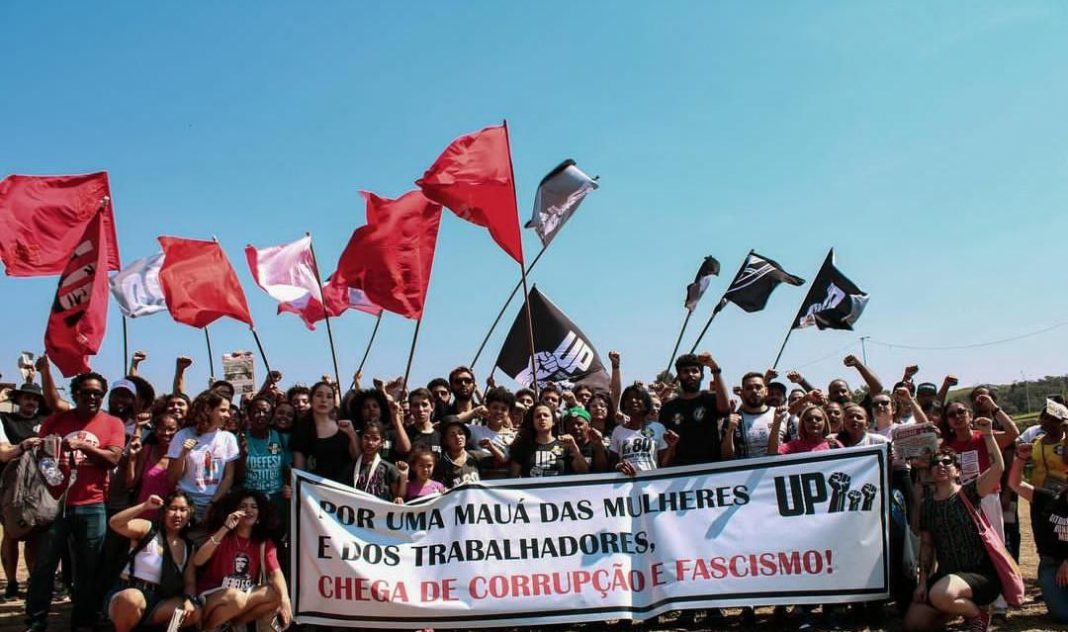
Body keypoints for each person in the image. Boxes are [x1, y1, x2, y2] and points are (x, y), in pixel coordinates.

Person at [26, 372, 125, 632]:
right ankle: (36, 621)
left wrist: (83, 446)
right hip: (55, 505)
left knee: (88, 568)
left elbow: (113, 458)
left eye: (97, 393)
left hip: (93, 505)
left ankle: (82, 621)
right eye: (85, 392)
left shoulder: (113, 423)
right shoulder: (57, 420)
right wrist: (54, 474)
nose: (91, 397)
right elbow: (40, 454)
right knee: (44, 566)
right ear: (75, 394)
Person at [905, 416, 1004, 632]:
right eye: (935, 463)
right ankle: (953, 606)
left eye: (947, 462)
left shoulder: (970, 492)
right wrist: (922, 583)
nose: (940, 465)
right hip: (947, 576)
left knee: (940, 594)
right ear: (930, 471)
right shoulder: (928, 505)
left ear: (957, 471)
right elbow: (927, 547)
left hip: (980, 575)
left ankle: (978, 615)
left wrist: (987, 435)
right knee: (914, 623)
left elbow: (998, 468)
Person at [193, 491, 291, 630]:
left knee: (276, 593)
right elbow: (198, 561)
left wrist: (285, 600)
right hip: (213, 595)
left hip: (243, 596)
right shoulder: (223, 534)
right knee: (236, 597)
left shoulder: (264, 542)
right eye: (243, 506)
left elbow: (276, 573)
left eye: (254, 507)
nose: (248, 510)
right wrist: (225, 528)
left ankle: (234, 624)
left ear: (260, 514)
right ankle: (209, 629)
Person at [104, 492, 198, 632]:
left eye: (183, 510)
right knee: (132, 598)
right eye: (173, 508)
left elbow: (189, 581)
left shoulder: (188, 547)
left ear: (189, 514)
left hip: (158, 602)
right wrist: (145, 506)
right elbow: (115, 523)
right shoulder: (148, 529)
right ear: (164, 511)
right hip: (127, 594)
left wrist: (189, 600)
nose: (177, 515)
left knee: (191, 611)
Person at [1007, 441, 1068, 623]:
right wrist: (1020, 459)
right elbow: (1015, 484)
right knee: (1063, 616)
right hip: (1051, 564)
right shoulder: (1050, 498)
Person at [0, 381, 46, 601]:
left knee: (34, 535)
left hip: (38, 486)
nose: (31, 402)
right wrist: (22, 447)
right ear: (18, 399)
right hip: (11, 485)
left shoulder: (45, 421)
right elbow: (3, 452)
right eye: (27, 397)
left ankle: (34, 579)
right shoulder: (6, 420)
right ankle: (11, 582)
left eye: (36, 399)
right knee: (10, 534)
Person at [166, 391, 240, 522]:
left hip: (216, 505)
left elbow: (229, 477)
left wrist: (213, 504)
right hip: (186, 505)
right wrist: (183, 454)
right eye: (222, 410)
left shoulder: (228, 438)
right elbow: (172, 478)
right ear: (207, 410)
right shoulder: (182, 435)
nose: (227, 415)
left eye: (228, 411)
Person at [658, 353, 729, 465]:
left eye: (695, 371)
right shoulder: (668, 407)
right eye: (685, 371)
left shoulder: (710, 398)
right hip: (680, 469)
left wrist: (715, 369)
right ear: (679, 375)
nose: (691, 375)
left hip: (711, 466)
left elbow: (725, 409)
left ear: (701, 375)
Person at [290, 382, 358, 484]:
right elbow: (300, 471)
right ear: (311, 400)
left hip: (346, 491)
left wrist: (352, 434)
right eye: (319, 395)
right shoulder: (302, 432)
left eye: (329, 396)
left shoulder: (345, 426)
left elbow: (358, 458)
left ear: (334, 402)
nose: (323, 400)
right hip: (317, 493)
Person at [509, 403, 588, 478]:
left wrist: (575, 449)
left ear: (553, 421)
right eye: (538, 416)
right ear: (532, 422)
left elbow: (583, 472)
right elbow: (513, 478)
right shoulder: (523, 447)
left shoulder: (566, 445)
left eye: (546, 415)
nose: (542, 418)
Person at [610, 385, 673, 474]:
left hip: (651, 483)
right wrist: (619, 466)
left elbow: (665, 464)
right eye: (628, 398)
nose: (633, 400)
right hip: (625, 483)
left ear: (646, 404)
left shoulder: (658, 428)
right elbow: (612, 463)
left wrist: (671, 447)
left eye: (638, 398)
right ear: (624, 405)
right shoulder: (618, 431)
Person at [129, 412, 180, 520]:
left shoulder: (182, 456)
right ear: (155, 430)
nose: (166, 433)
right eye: (162, 429)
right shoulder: (147, 450)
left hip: (169, 519)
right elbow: (130, 483)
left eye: (171, 429)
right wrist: (132, 458)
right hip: (143, 514)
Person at [724, 372, 783, 460]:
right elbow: (726, 457)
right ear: (743, 392)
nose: (754, 391)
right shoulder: (733, 419)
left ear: (766, 391)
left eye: (758, 387)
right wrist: (729, 431)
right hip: (744, 472)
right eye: (749, 388)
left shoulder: (782, 414)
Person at [348, 421, 404, 503]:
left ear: (382, 442)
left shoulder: (389, 469)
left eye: (375, 439)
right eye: (366, 438)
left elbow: (397, 496)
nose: (370, 443)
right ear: (360, 439)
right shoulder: (351, 468)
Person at [469, 387, 516, 479]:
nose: (499, 412)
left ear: (509, 413)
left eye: (503, 409)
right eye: (495, 407)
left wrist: (492, 448)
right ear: (487, 408)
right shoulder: (475, 430)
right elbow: (448, 423)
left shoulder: (514, 436)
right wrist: (473, 413)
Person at [768, 405, 840, 454]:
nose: (814, 421)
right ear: (803, 424)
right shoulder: (794, 446)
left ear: (825, 423)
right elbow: (772, 453)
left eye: (818, 419)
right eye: (809, 419)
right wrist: (777, 422)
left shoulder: (834, 445)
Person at [434, 418, 481, 488]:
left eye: (461, 433)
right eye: (452, 435)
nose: (458, 437)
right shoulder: (442, 464)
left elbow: (501, 460)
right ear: (445, 440)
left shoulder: (476, 456)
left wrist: (491, 447)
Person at [562, 407, 608, 473]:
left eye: (579, 424)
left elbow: (602, 471)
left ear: (589, 426)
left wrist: (598, 446)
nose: (575, 427)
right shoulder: (561, 448)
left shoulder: (596, 446)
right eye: (571, 424)